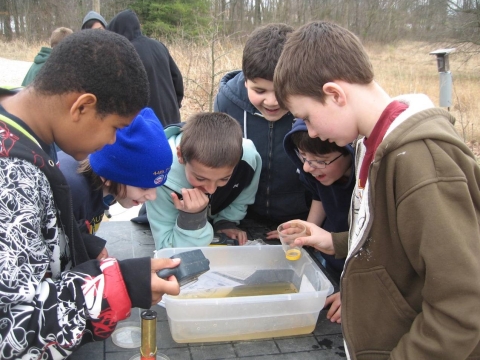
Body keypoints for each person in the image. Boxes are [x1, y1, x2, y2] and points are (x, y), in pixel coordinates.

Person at [274, 20, 480, 359]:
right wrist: (334, 241)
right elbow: (394, 243)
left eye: (307, 117)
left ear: (335, 94)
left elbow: (461, 304)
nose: (309, 132)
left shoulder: (420, 162)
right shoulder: (371, 147)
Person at [0, 30, 180, 359]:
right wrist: (120, 285)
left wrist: (81, 244)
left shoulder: (25, 138)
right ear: (82, 106)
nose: (113, 143)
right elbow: (14, 331)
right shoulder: (11, 176)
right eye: (114, 128)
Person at [214, 23, 310, 232]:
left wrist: (312, 224)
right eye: (260, 90)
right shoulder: (226, 102)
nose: (272, 101)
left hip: (300, 219)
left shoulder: (311, 105)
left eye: (281, 91)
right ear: (246, 80)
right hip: (240, 217)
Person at [58, 107, 172, 258]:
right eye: (144, 187)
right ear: (108, 176)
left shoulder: (108, 188)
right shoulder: (71, 192)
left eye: (156, 186)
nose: (152, 196)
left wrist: (91, 246)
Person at [146, 112, 262, 249]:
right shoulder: (160, 177)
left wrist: (226, 221)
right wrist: (192, 218)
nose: (211, 189)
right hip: (172, 223)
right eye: (200, 178)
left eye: (224, 178)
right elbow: (168, 246)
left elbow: (242, 196)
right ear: (180, 156)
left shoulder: (249, 159)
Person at [284, 118, 355, 323]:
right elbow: (319, 196)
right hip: (332, 262)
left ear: (349, 153)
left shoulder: (368, 181)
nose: (307, 167)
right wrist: (305, 232)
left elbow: (379, 244)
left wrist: (356, 290)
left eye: (320, 160)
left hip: (362, 270)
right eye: (303, 156)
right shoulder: (319, 172)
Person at [108, 9, 184, 126]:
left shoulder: (124, 54)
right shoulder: (158, 45)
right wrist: (175, 105)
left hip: (148, 126)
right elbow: (177, 79)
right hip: (172, 121)